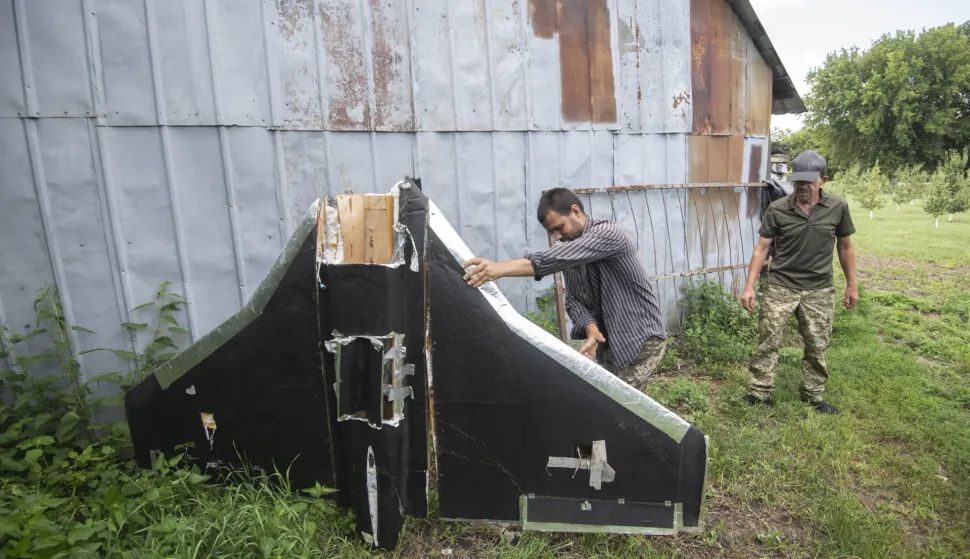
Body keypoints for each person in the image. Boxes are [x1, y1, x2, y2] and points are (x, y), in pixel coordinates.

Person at [462, 188, 667, 390]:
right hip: (611, 341)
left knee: (615, 402)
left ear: (575, 211)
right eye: (552, 232)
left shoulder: (609, 234)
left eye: (559, 228)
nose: (557, 237)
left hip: (640, 338)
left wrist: (499, 269)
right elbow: (574, 300)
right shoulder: (572, 254)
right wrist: (591, 328)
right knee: (618, 403)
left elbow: (552, 260)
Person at [739, 150, 858, 414]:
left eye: (809, 182)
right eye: (798, 182)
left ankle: (813, 395)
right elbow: (762, 248)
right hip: (781, 285)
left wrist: (852, 284)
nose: (802, 187)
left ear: (823, 181)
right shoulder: (778, 209)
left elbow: (845, 247)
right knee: (768, 340)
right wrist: (749, 286)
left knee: (817, 344)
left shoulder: (838, 207)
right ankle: (760, 392)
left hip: (819, 289)